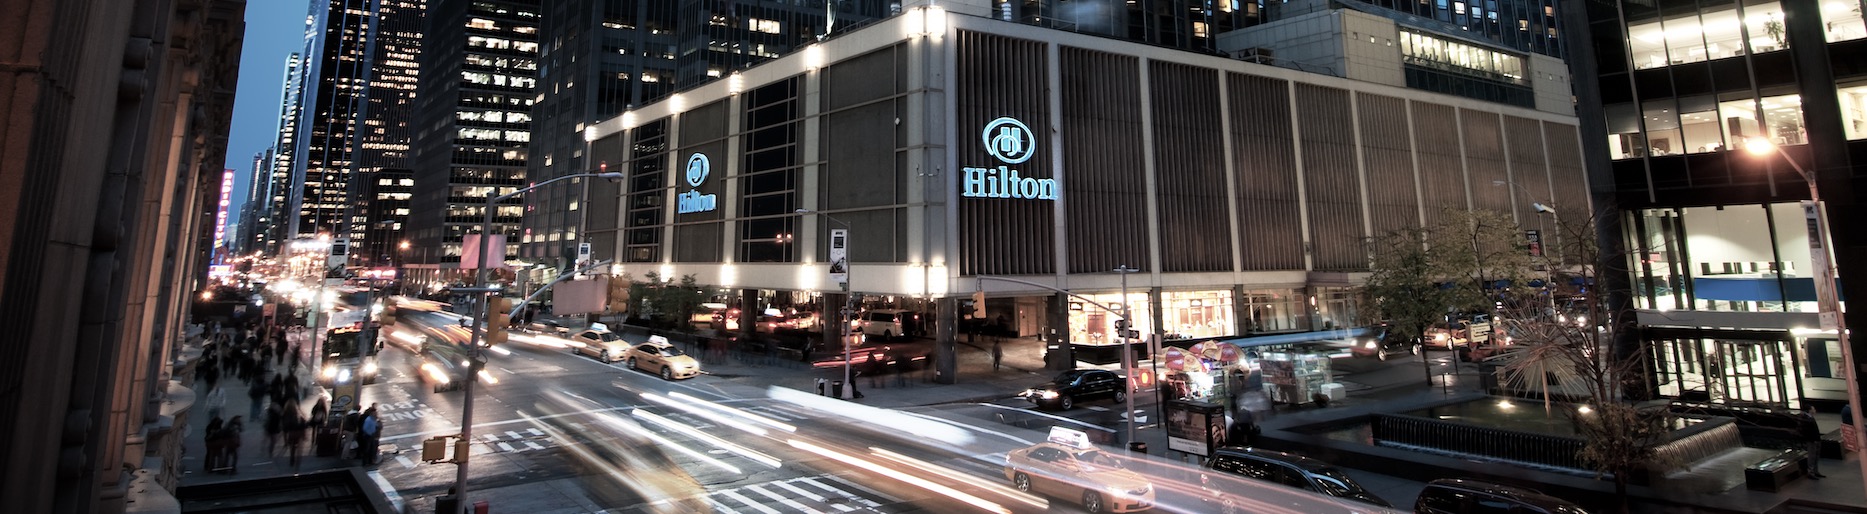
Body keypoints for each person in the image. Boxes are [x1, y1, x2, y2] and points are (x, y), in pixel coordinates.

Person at [1798, 405, 1826, 479]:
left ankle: (1815, 471)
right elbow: (1806, 431)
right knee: (1812, 456)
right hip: (1811, 440)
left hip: (1816, 439)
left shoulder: (1810, 417)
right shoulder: (1805, 419)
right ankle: (1811, 472)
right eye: (1813, 409)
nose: (1815, 410)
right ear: (1809, 410)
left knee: (1816, 456)